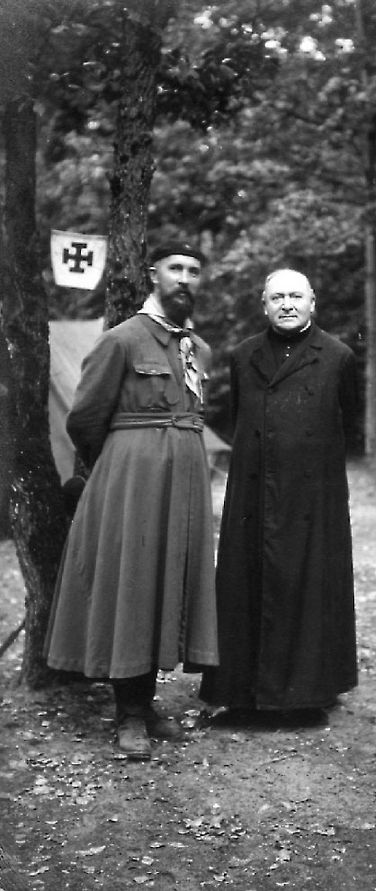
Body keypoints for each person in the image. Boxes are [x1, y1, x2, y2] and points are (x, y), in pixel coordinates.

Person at [45, 240, 219, 759]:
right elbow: (84, 419)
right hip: (132, 481)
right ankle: (128, 716)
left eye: (193, 270)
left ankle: (147, 704)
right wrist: (125, 463)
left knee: (167, 584)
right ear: (153, 275)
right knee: (134, 584)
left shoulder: (196, 348)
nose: (184, 278)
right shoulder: (121, 340)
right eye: (175, 269)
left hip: (186, 480)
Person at [199, 268, 358, 723]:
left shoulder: (338, 356)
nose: (287, 304)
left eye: (296, 296)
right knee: (246, 584)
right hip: (252, 493)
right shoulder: (244, 354)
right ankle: (242, 693)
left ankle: (307, 695)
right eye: (277, 297)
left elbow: (343, 423)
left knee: (308, 585)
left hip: (313, 497)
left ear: (313, 302)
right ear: (263, 305)